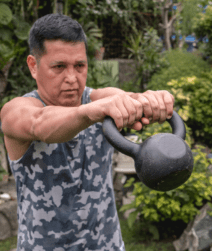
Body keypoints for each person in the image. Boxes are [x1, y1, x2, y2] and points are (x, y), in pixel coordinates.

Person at [0, 14, 174, 251]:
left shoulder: (98, 99)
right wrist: (92, 112)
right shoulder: (17, 111)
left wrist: (153, 100)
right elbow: (39, 123)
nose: (72, 78)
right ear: (33, 66)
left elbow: (127, 98)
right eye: (59, 67)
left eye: (79, 66)